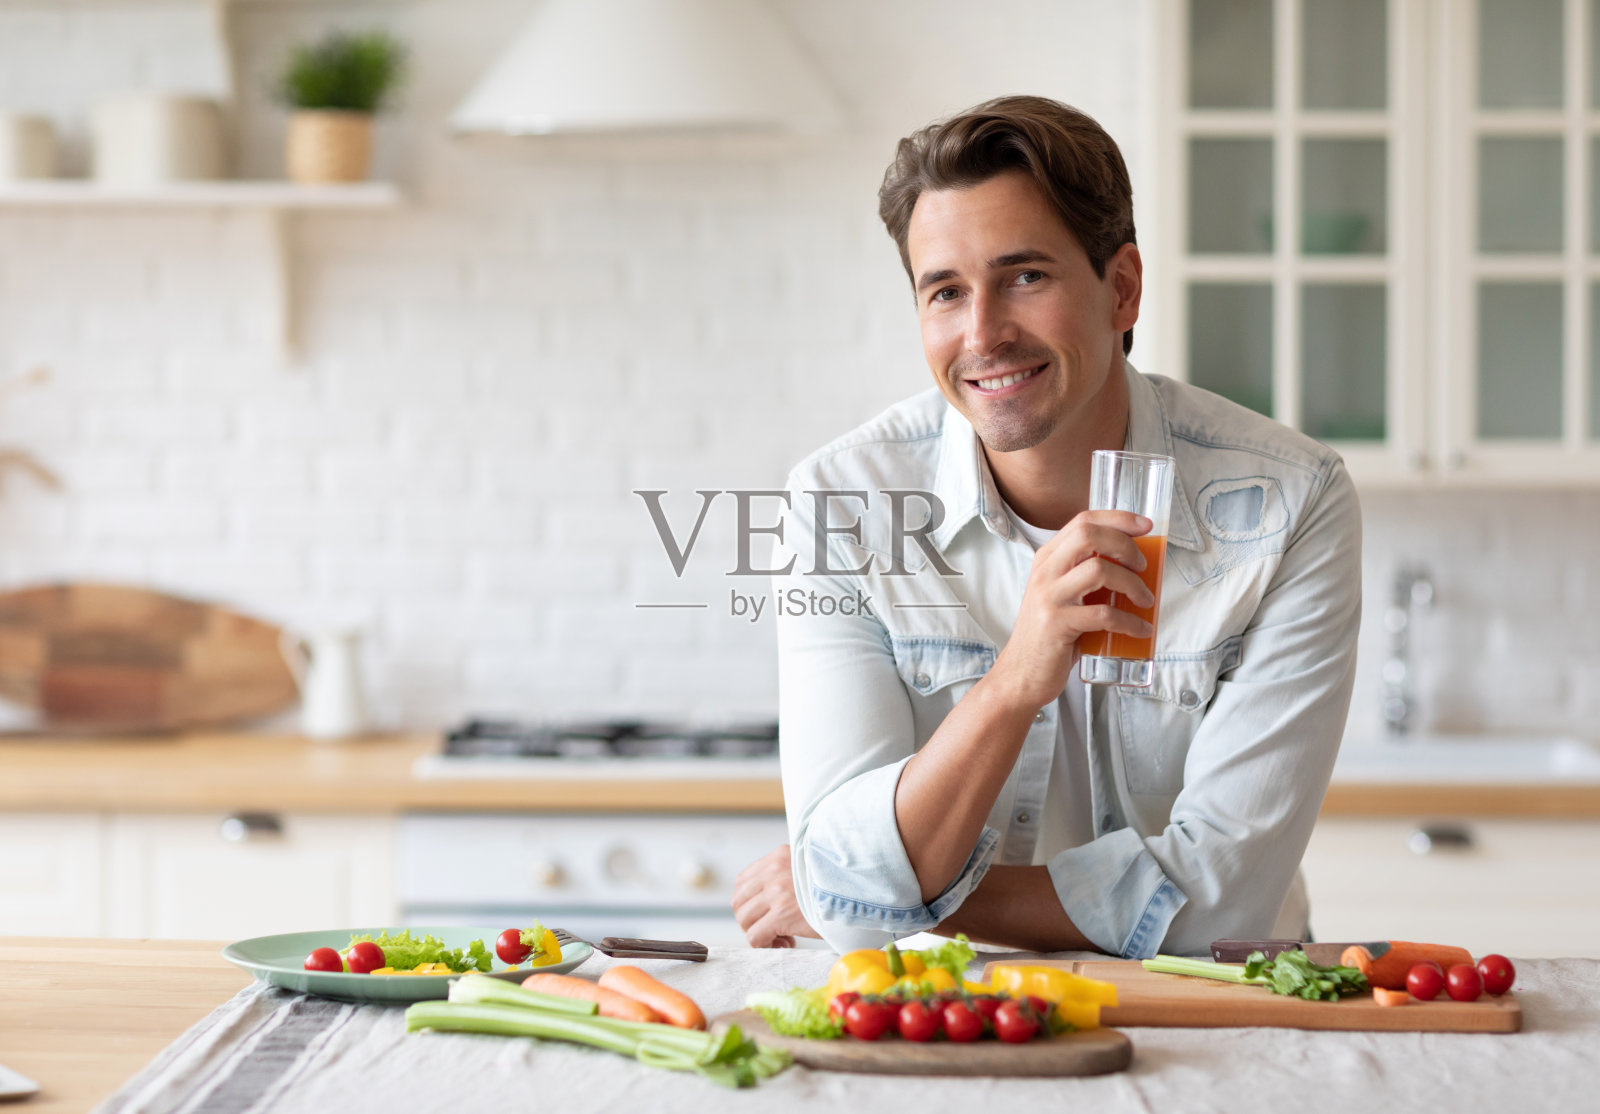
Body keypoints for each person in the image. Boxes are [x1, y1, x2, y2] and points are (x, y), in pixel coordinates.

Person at [731, 95, 1361, 957]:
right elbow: (844, 886)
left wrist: (900, 890)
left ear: (1123, 289)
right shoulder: (843, 505)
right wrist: (1015, 680)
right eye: (946, 292)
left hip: (1212, 1019)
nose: (982, 332)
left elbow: (1218, 906)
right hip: (950, 1019)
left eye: (1025, 276)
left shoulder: (1291, 501)